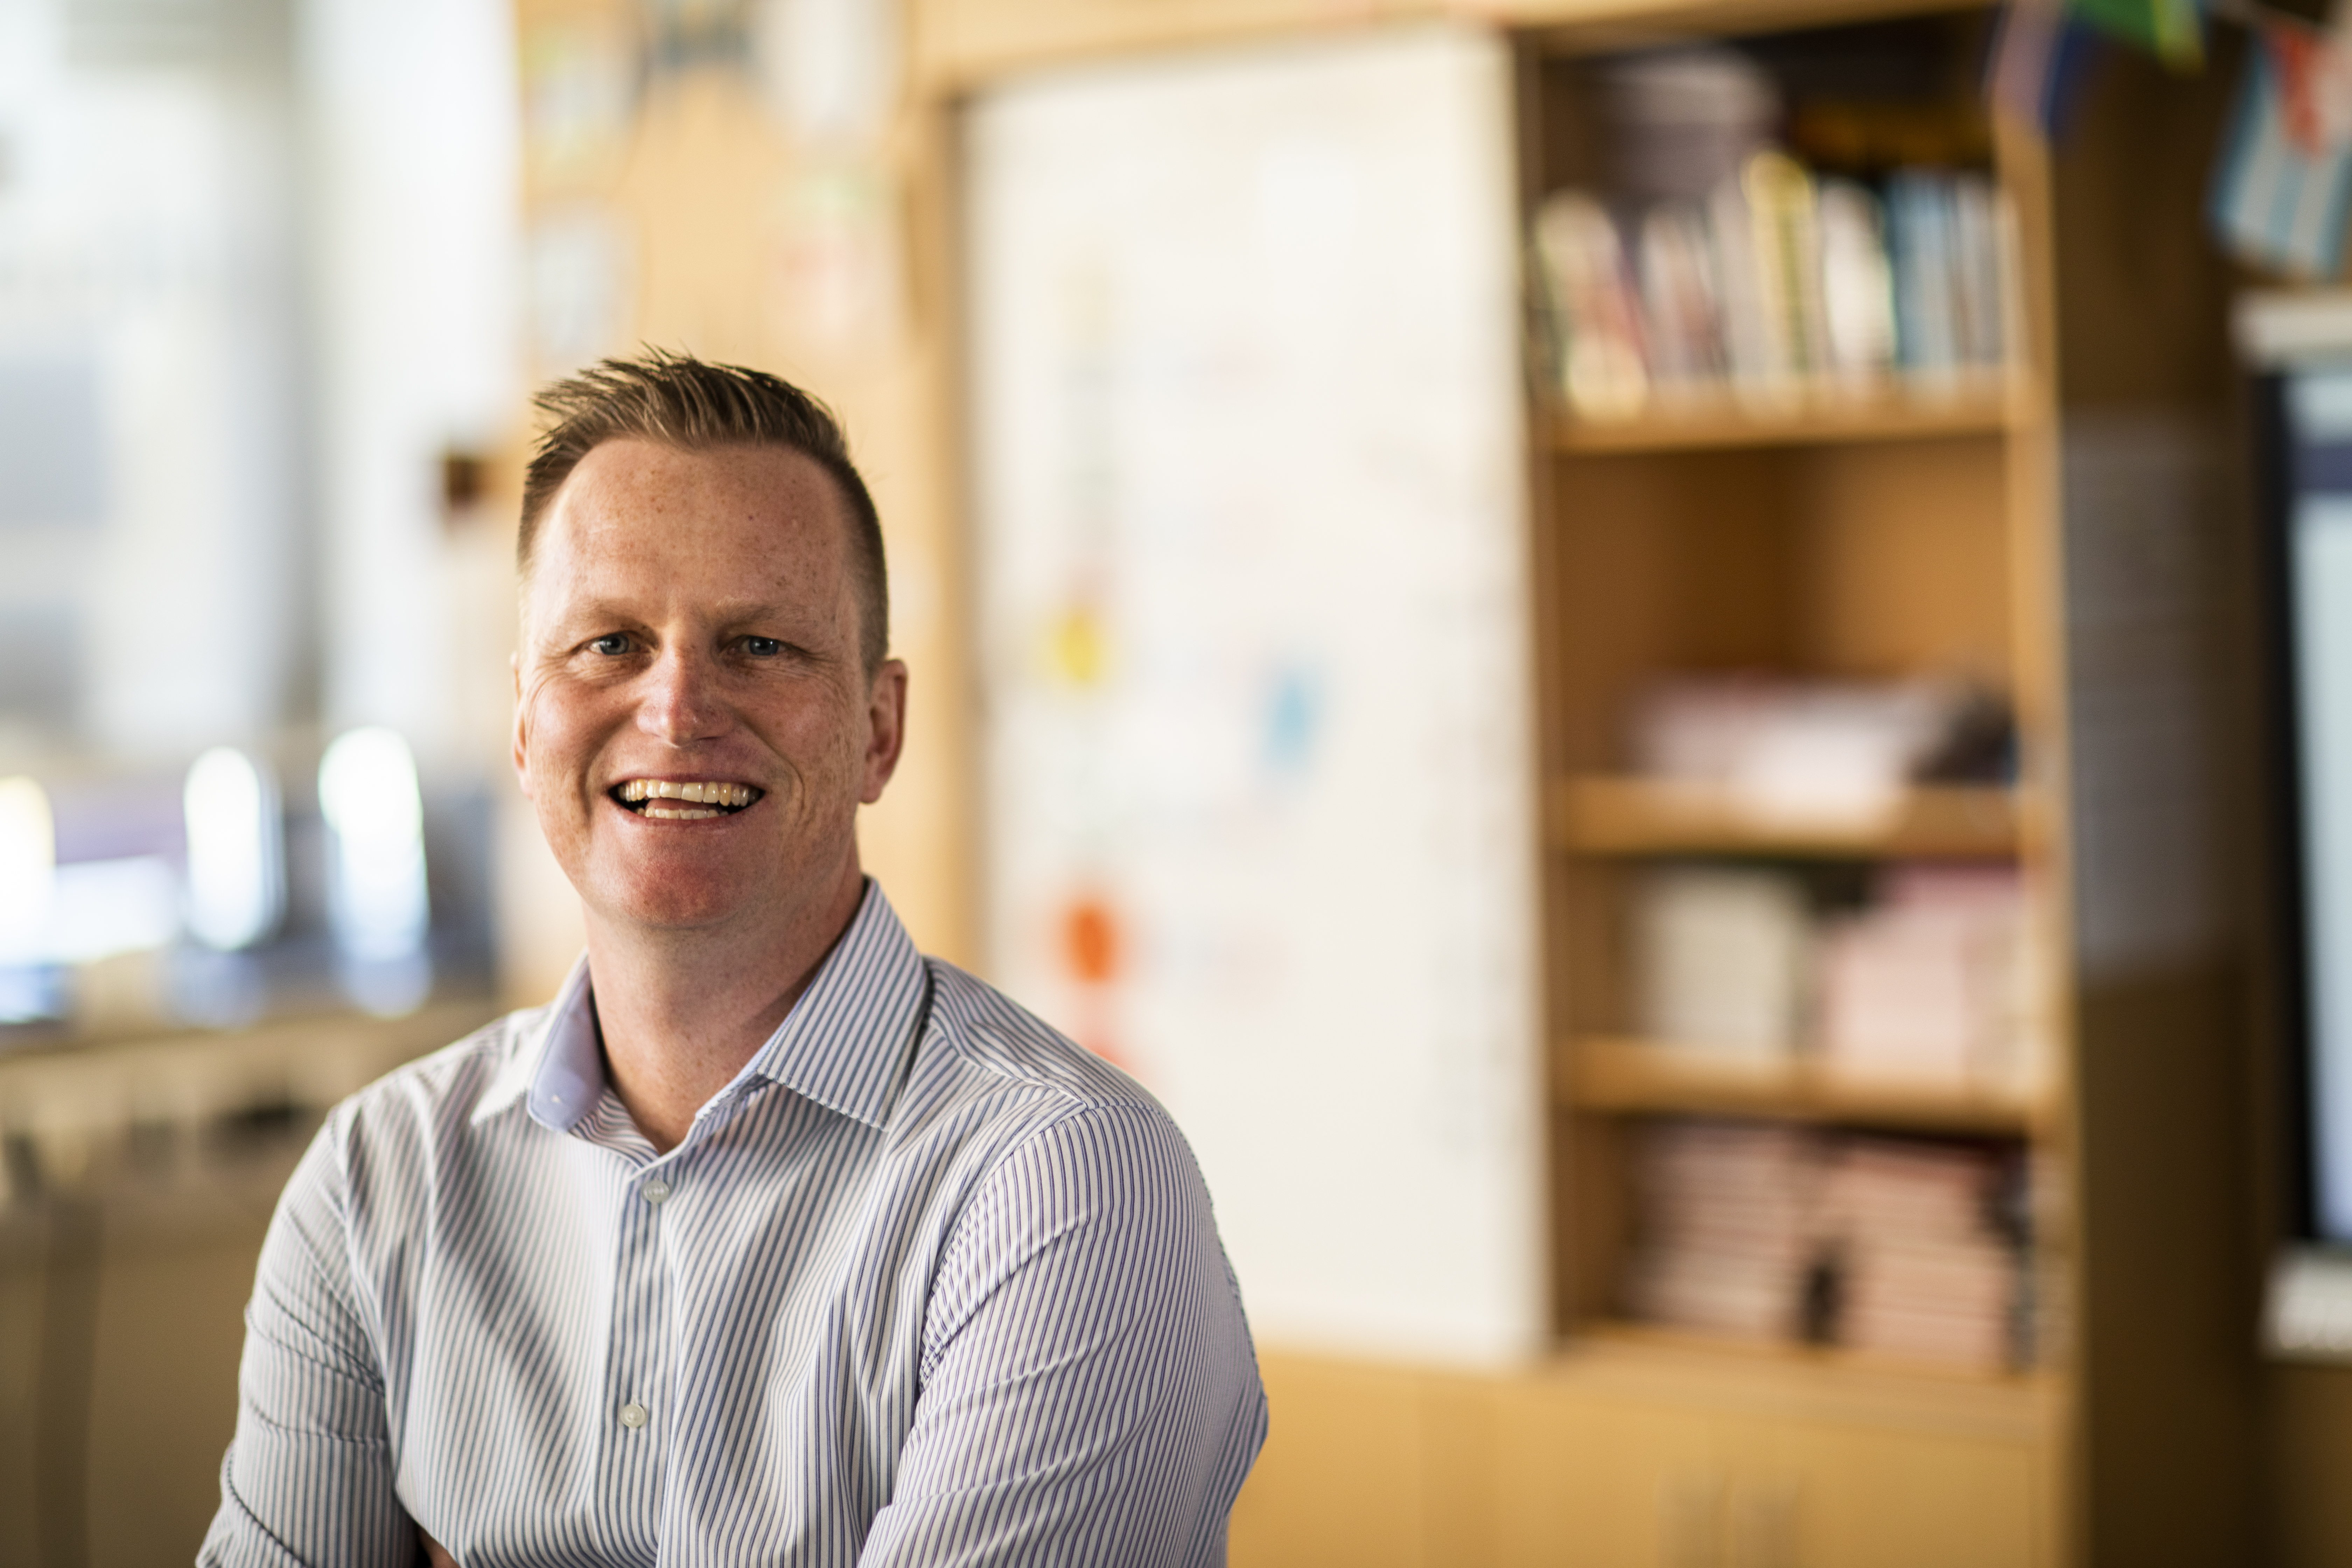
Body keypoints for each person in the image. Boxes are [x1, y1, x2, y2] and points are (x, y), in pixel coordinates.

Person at [199, 351, 1267, 1568]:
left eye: (760, 646)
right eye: (607, 643)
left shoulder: (1061, 1186)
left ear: (879, 730)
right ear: (520, 722)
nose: (677, 708)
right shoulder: (377, 1179)